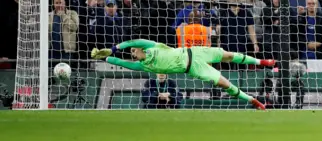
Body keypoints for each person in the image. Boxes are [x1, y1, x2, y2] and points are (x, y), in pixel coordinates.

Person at [92, 39, 275, 110]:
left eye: (134, 51)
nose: (133, 53)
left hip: (194, 52)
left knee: (227, 55)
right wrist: (106, 58)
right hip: (193, 69)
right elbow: (123, 63)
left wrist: (113, 48)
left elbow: (133, 41)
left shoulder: (151, 46)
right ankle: (253, 101)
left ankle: (262, 62)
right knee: (224, 84)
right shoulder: (145, 67)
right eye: (132, 53)